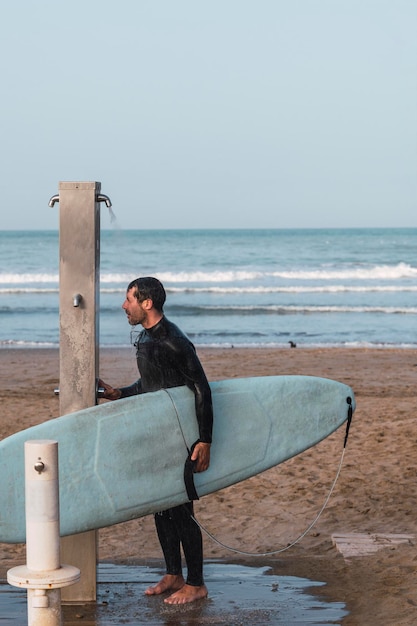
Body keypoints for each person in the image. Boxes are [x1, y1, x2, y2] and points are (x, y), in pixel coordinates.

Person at [99, 277, 213, 605]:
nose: (124, 306)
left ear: (146, 303)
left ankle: (196, 582)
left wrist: (204, 440)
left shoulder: (175, 341)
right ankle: (174, 573)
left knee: (181, 508)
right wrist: (119, 393)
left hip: (179, 436)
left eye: (129, 300)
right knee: (161, 507)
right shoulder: (147, 338)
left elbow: (202, 389)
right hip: (157, 433)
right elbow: (150, 384)